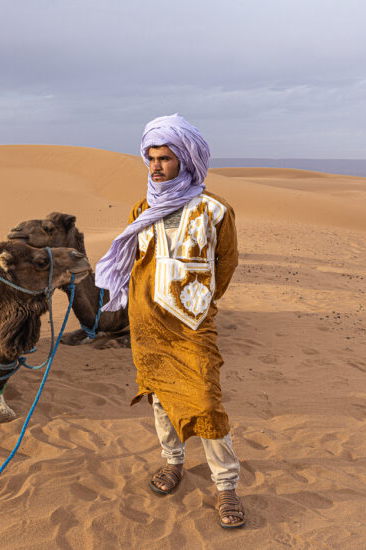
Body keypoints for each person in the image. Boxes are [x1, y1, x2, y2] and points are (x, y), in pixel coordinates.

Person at [95, 114, 245, 529]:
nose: (156, 166)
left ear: (186, 159)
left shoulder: (214, 210)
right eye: (151, 158)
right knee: (160, 397)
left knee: (207, 401)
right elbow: (136, 263)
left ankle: (226, 485)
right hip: (147, 325)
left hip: (192, 325)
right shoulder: (143, 208)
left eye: (165, 158)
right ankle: (174, 462)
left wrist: (198, 300)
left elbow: (226, 264)